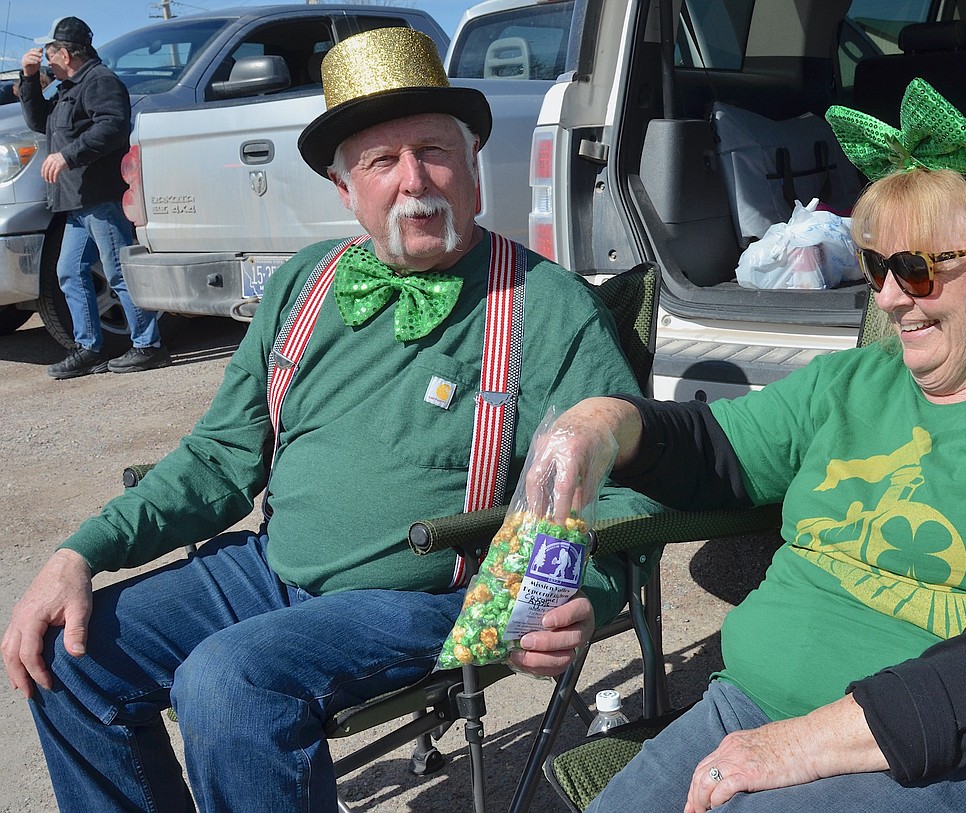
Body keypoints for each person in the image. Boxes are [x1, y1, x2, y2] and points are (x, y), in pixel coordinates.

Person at [1, 27, 658, 813]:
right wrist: (83, 550)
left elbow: (626, 494)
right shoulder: (303, 287)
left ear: (475, 171)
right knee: (73, 657)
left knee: (227, 678)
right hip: (269, 569)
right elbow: (219, 457)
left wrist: (586, 590)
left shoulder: (551, 309)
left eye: (435, 151)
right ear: (346, 191)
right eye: (382, 162)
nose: (414, 181)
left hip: (423, 594)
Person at [525, 79, 966, 813]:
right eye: (878, 266)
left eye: (920, 267)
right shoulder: (856, 382)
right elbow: (714, 451)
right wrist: (606, 421)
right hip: (750, 713)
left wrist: (803, 744)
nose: (891, 297)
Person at [19, 16, 168, 379]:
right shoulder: (69, 86)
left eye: (51, 53)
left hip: (101, 198)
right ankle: (88, 348)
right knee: (69, 272)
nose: (48, 60)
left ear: (66, 53)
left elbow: (113, 128)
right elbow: (41, 123)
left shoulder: (100, 82)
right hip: (76, 201)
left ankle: (148, 346)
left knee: (118, 272)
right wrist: (29, 80)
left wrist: (67, 156)